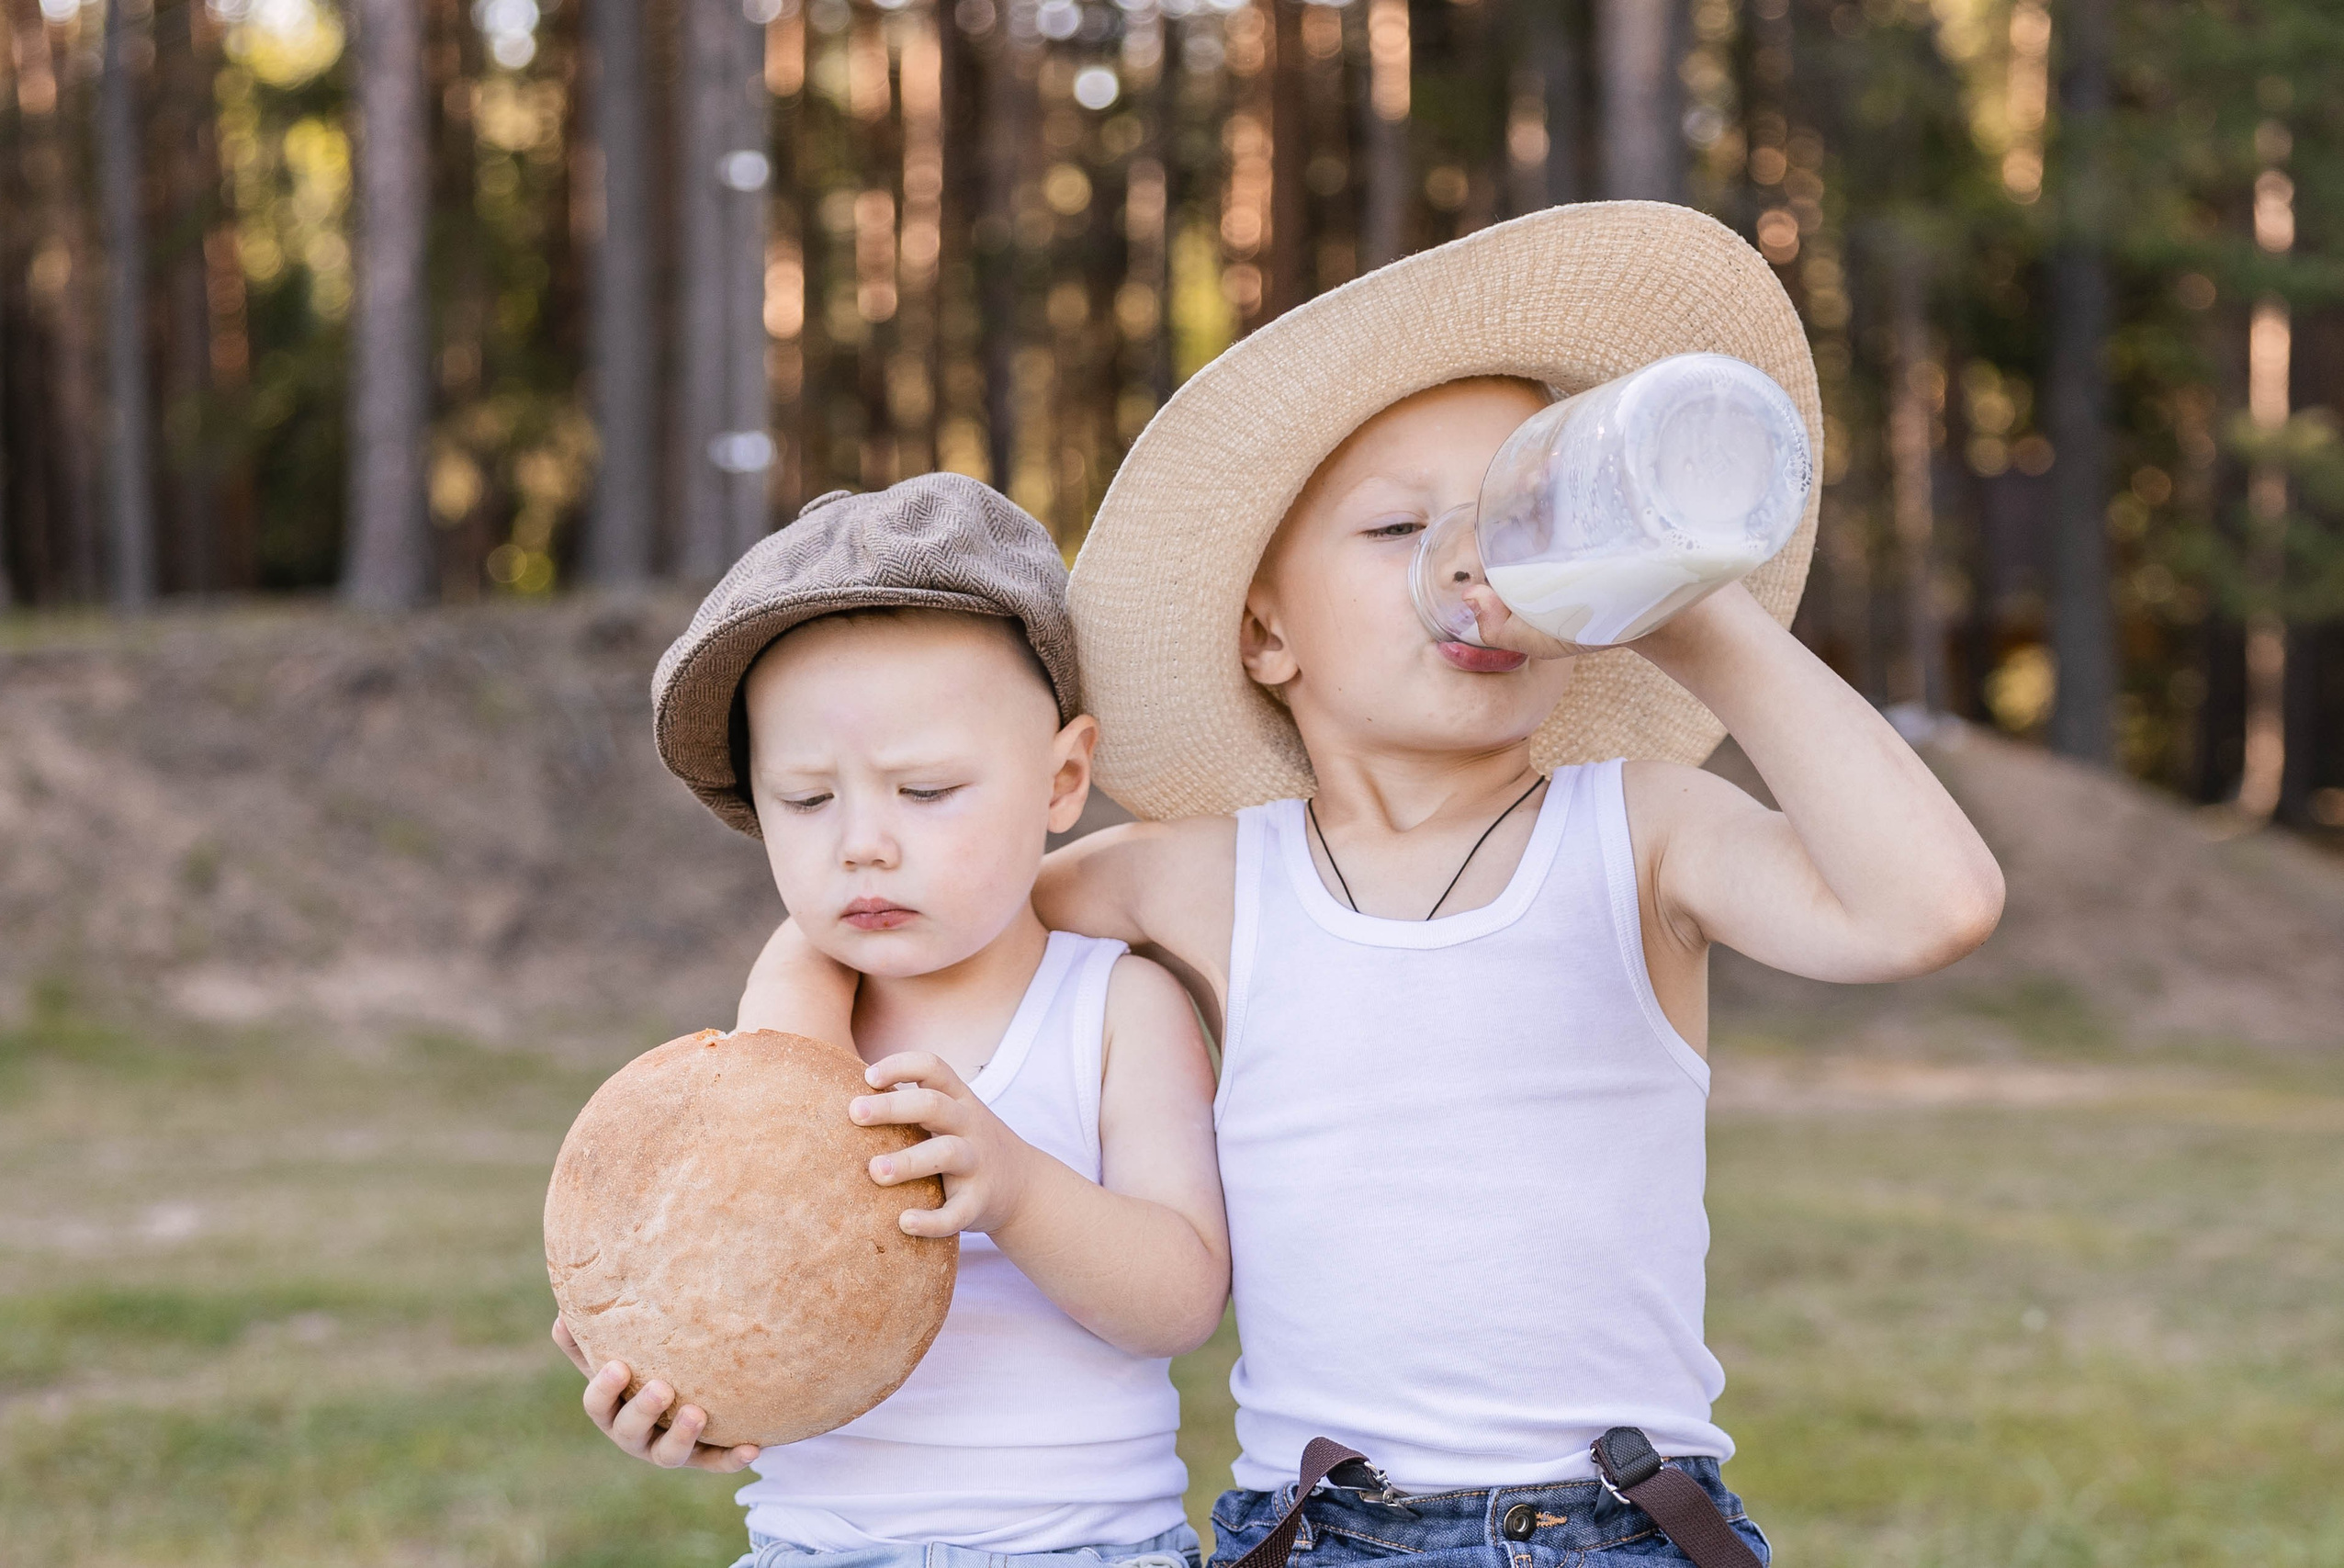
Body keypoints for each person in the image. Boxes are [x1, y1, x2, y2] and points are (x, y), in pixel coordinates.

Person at [744, 203, 2005, 1567]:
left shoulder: (1642, 834)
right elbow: (893, 914)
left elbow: (1929, 905)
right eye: (1403, 522)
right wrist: (789, 1071)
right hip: (1318, 1522)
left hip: (1621, 1519)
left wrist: (1694, 611)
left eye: (1528, 519)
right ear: (1266, 630)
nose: (1478, 565)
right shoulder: (1207, 878)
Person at [552, 475, 1230, 1568]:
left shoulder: (1111, 1005)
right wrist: (681, 1384)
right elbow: (749, 1298)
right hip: (816, 1548)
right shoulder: (778, 1049)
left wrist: (1014, 1188)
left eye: (924, 791)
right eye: (809, 800)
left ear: (1061, 780)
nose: (862, 842)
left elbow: (1181, 1296)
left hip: (1081, 1550)